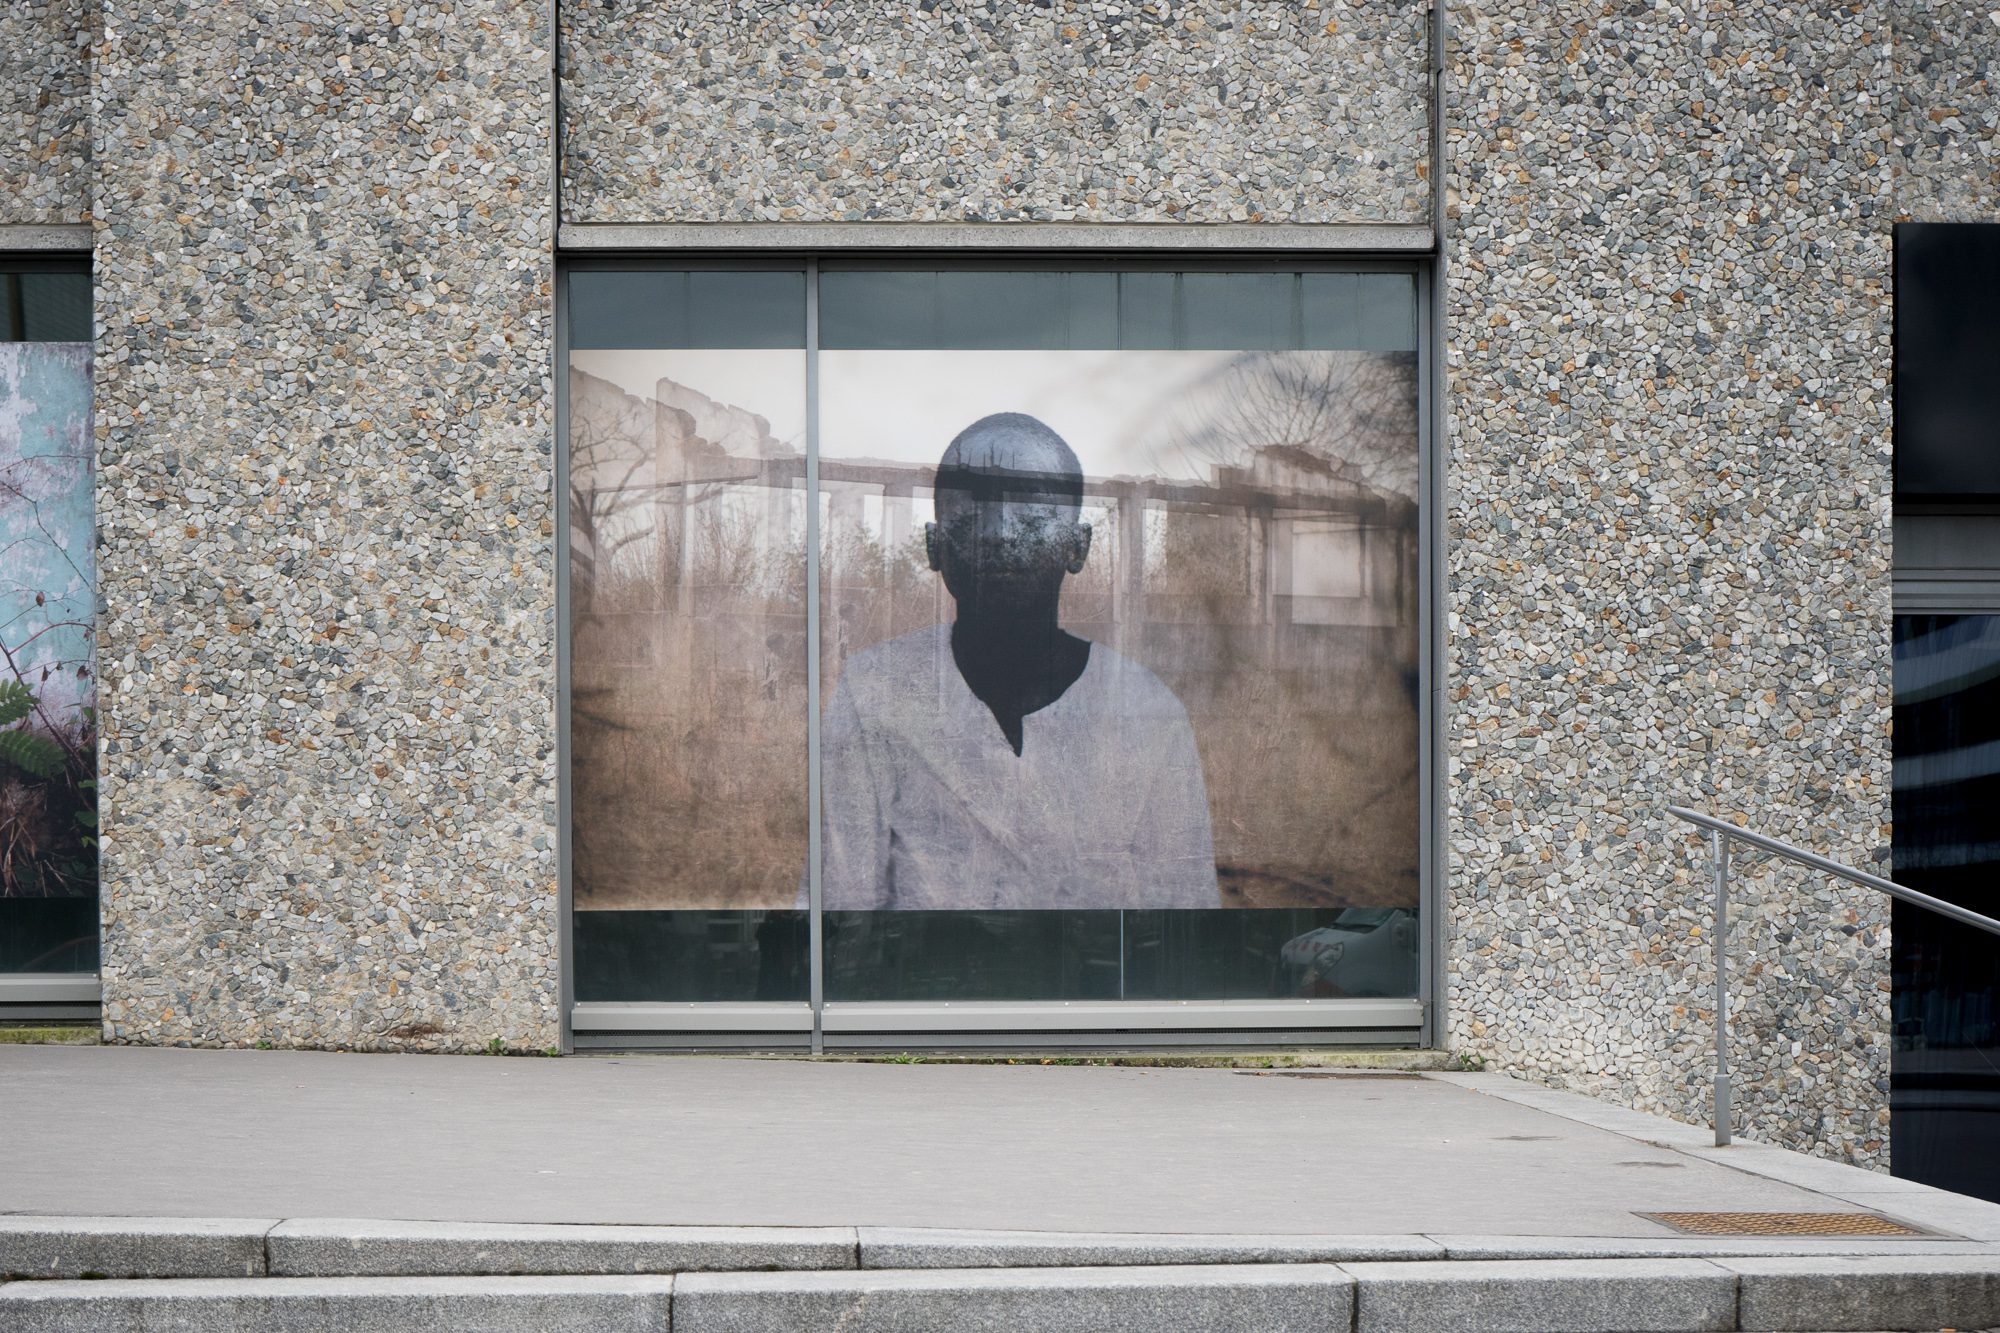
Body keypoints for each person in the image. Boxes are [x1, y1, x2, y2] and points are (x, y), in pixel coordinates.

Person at [814, 412, 1219, 910]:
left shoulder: (1146, 710)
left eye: (1031, 515)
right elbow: (839, 906)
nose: (1000, 534)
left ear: (1079, 545)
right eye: (971, 512)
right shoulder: (876, 690)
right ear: (934, 544)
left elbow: (1184, 910)